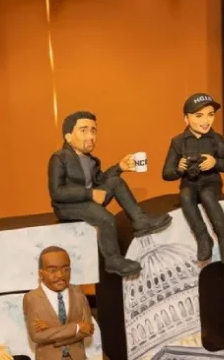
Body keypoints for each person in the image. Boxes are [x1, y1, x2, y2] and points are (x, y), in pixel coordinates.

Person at [48, 111, 171, 277]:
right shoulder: (59, 158)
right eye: (83, 131)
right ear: (68, 136)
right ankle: (113, 259)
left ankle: (140, 221)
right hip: (69, 206)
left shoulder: (92, 160)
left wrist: (119, 167)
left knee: (115, 182)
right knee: (106, 218)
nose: (91, 136)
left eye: (93, 131)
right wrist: (89, 194)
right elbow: (57, 192)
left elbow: (100, 180)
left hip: (89, 199)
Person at [161, 93, 224, 264]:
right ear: (186, 119)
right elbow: (166, 173)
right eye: (199, 116)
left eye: (210, 114)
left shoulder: (215, 139)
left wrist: (215, 162)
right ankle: (203, 238)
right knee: (185, 196)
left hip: (211, 181)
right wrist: (179, 169)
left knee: (207, 196)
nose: (206, 120)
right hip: (189, 182)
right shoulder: (178, 142)